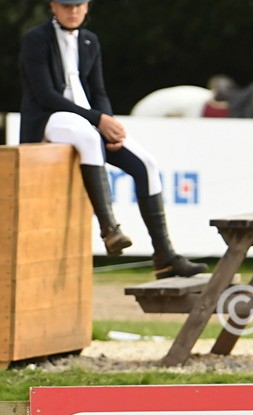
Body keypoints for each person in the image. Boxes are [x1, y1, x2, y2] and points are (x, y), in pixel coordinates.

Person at [18, 0, 204, 278]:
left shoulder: (91, 41)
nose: (73, 11)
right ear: (52, 6)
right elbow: (46, 96)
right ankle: (110, 230)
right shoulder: (36, 39)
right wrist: (98, 121)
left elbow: (99, 91)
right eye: (66, 6)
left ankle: (165, 255)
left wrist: (107, 124)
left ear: (87, 6)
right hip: (50, 118)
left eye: (78, 5)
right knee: (89, 139)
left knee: (147, 164)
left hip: (90, 121)